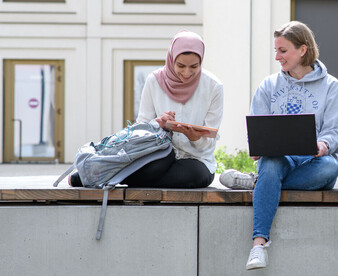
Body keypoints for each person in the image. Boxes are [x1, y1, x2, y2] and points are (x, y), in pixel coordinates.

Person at [229, 21, 338, 270]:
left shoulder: (331, 86)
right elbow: (257, 130)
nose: (277, 57)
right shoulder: (268, 86)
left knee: (330, 169)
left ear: (302, 49)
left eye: (283, 51)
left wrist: (322, 145)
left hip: (314, 162)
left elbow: (335, 132)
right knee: (270, 164)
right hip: (281, 159)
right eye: (276, 50)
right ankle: (258, 245)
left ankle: (259, 183)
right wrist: (259, 147)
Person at [70, 30, 223, 188]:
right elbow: (141, 128)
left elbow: (210, 142)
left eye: (194, 66)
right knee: (157, 166)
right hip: (158, 152)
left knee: (194, 176)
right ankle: (107, 176)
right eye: (181, 66)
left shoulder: (214, 87)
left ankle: (99, 177)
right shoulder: (154, 81)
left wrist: (195, 138)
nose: (187, 72)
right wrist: (159, 123)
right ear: (171, 59)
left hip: (196, 159)